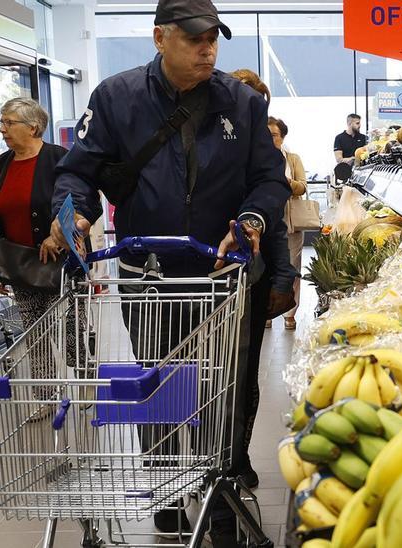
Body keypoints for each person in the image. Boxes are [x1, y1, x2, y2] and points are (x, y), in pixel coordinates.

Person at [48, 0, 290, 543]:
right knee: (161, 382)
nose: (208, 48)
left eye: (214, 39)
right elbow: (76, 173)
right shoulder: (116, 98)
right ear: (161, 38)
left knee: (225, 388)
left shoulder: (243, 103)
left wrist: (250, 219)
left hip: (223, 277)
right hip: (149, 276)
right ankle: (166, 487)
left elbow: (269, 180)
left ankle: (220, 491)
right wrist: (76, 214)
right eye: (194, 38)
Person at [226, 69, 299, 489]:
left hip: (250, 278)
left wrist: (281, 278)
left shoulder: (264, 155)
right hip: (204, 277)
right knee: (194, 376)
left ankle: (236, 456)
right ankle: (182, 467)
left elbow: (271, 227)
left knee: (242, 374)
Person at [0, 98, 72, 402]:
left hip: (60, 261)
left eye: (10, 122)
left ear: (33, 127)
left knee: (72, 332)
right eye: (2, 122)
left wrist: (58, 234)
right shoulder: (2, 164)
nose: (3, 129)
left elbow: (78, 203)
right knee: (35, 334)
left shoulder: (59, 158)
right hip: (20, 263)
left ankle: (89, 387)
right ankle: (46, 397)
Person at [267, 116, 306, 331]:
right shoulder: (256, 158)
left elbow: (302, 186)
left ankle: (290, 313)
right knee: (266, 267)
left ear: (282, 138)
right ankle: (268, 311)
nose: (269, 139)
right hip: (266, 222)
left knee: (292, 267)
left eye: (273, 135)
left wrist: (287, 183)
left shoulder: (292, 159)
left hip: (290, 222)